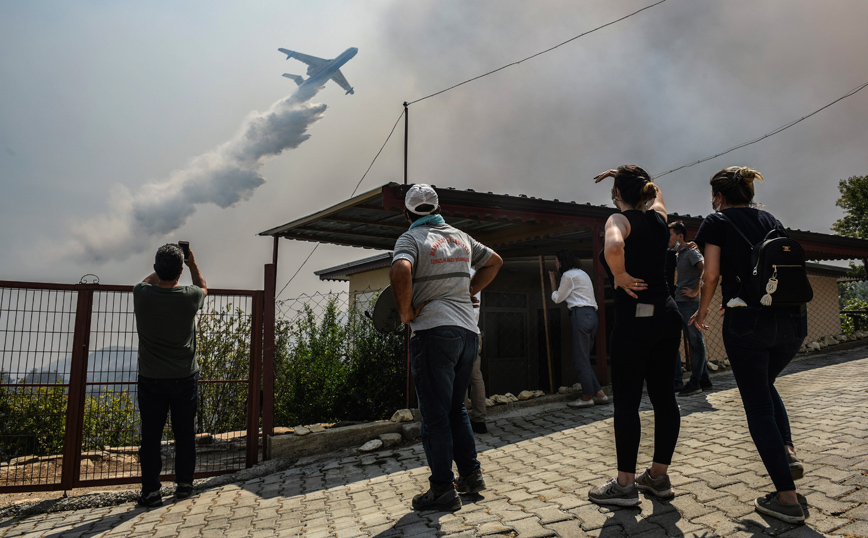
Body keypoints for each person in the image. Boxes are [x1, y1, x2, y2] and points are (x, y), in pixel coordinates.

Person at [690, 166, 807, 524]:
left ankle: (787, 500)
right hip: (792, 321)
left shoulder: (716, 220)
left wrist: (701, 310)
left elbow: (710, 274)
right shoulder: (772, 219)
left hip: (747, 324)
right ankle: (785, 451)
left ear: (719, 195)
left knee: (757, 406)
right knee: (764, 387)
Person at [390, 184, 503, 512]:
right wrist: (470, 288)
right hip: (468, 334)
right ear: (439, 208)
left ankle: (442, 489)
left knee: (435, 415)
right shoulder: (461, 237)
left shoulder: (410, 239)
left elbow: (400, 269)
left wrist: (406, 313)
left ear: (407, 213)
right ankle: (470, 475)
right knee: (456, 408)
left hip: (434, 334)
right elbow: (494, 261)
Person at [587, 166, 682, 507]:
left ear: (616, 196)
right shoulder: (659, 217)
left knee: (627, 400)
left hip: (636, 320)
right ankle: (657, 477)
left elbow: (613, 246)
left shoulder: (619, 220)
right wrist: (631, 172)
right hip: (667, 316)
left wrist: (621, 274)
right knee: (664, 397)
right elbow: (657, 194)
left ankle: (625, 485)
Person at [133, 243, 207, 508]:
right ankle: (185, 485)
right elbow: (203, 287)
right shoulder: (189, 296)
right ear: (180, 271)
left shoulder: (141, 294)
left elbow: (147, 282)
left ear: (155, 268)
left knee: (150, 437)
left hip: (151, 378)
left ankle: (151, 492)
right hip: (185, 377)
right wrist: (191, 263)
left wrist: (163, 271)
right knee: (185, 433)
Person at [547, 249, 608, 408]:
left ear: (561, 262)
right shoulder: (582, 273)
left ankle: (587, 396)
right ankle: (599, 393)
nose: (556, 264)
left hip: (580, 314)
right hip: (592, 316)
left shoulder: (568, 276)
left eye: (556, 261)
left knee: (579, 358)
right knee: (584, 358)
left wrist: (553, 281)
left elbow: (558, 298)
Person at [669, 221, 713, 396]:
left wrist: (695, 291)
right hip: (680, 303)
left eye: (670, 235)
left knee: (696, 342)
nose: (668, 239)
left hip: (689, 304)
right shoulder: (679, 253)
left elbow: (707, 269)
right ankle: (705, 380)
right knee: (691, 340)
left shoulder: (691, 252)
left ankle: (694, 383)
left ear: (680, 236)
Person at [464, 271, 488, 434]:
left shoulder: (458, 271)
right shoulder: (476, 273)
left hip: (460, 330)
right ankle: (479, 420)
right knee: (475, 376)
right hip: (474, 330)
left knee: (459, 377)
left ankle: (462, 419)